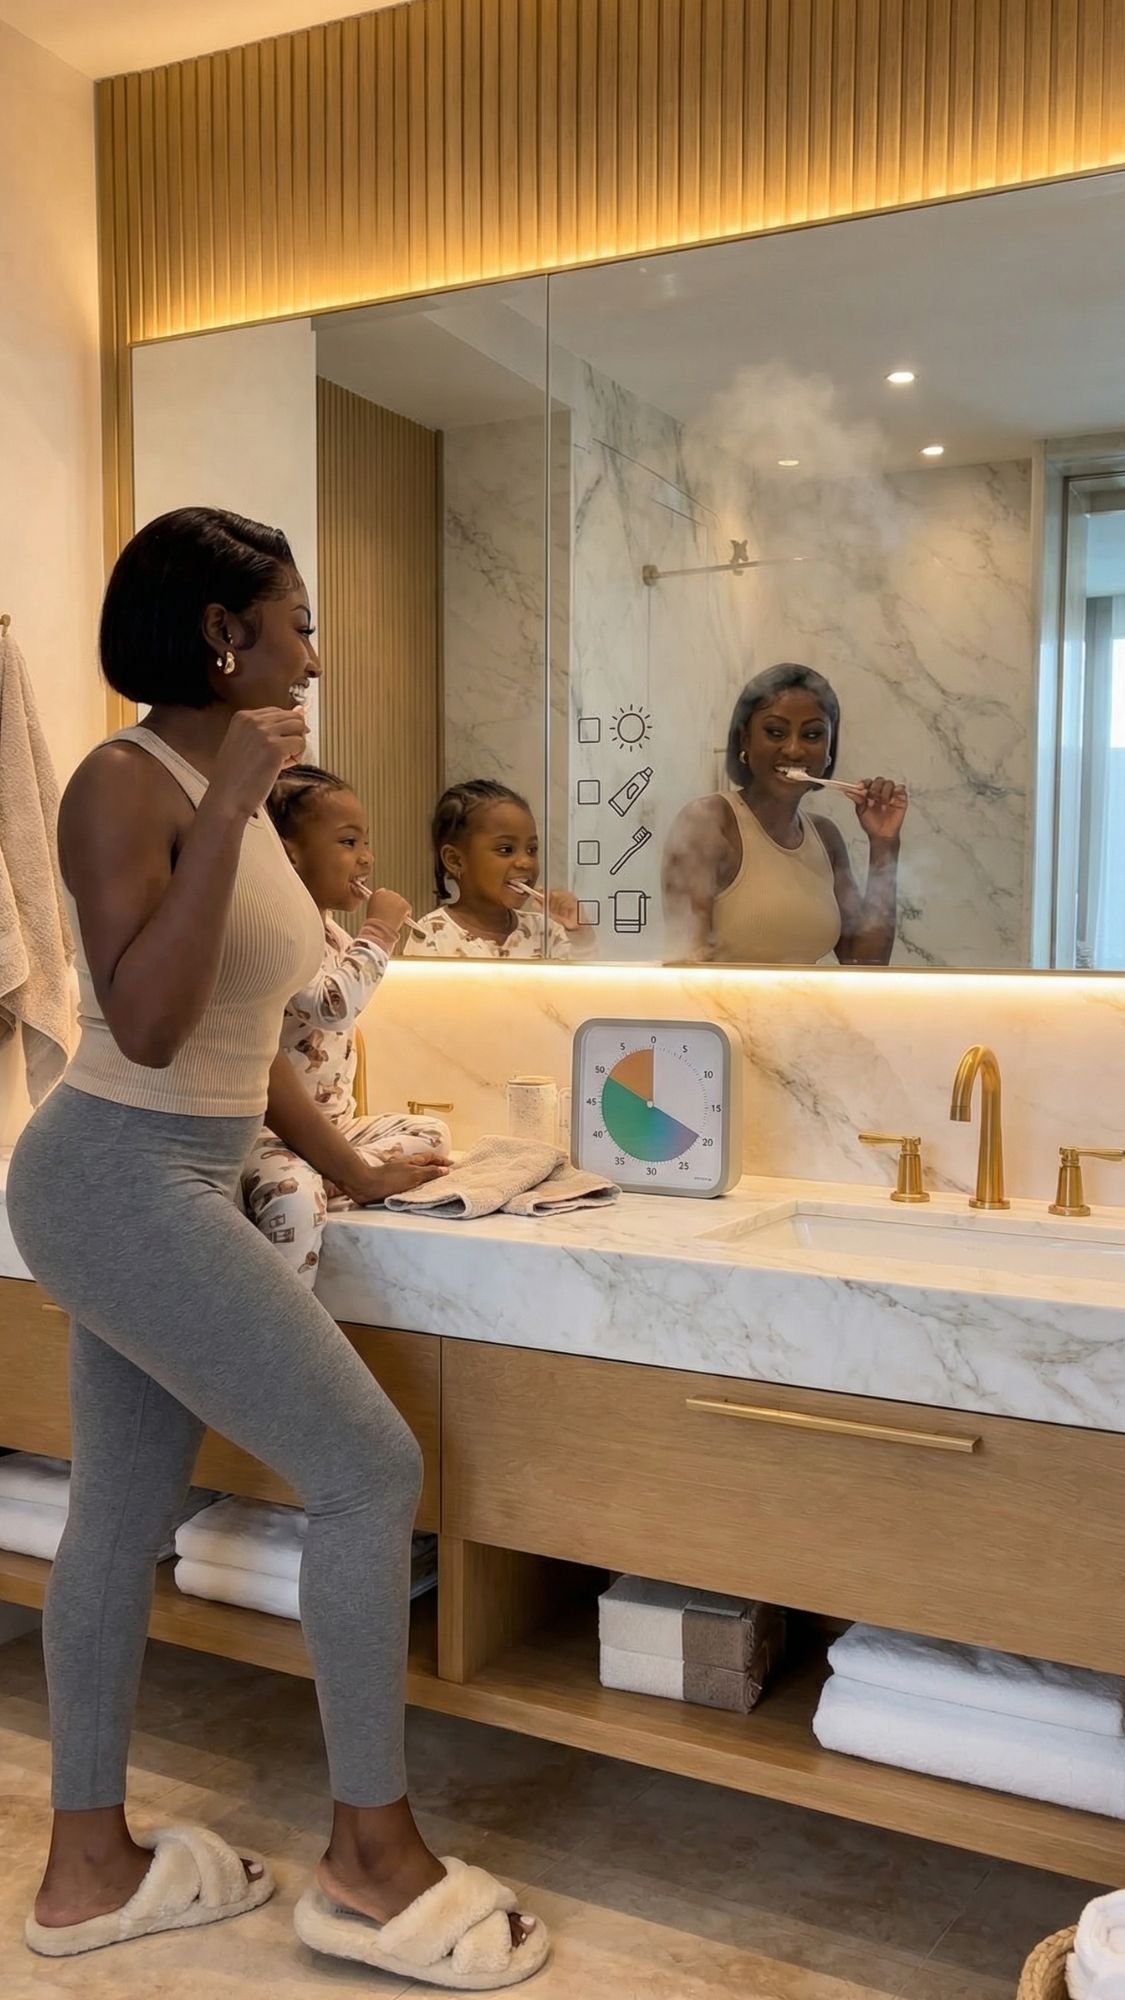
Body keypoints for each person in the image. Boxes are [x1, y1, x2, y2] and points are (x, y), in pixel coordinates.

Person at [5, 507, 546, 1986]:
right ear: (221, 634)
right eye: (295, 619)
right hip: (114, 1177)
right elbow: (150, 1021)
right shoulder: (129, 784)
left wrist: (351, 1163)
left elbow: (249, 1048)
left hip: (183, 1168)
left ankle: (85, 1869)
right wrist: (236, 807)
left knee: (121, 1507)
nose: (315, 645)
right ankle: (371, 1864)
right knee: (368, 1470)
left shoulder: (232, 789)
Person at [242, 762, 450, 1288]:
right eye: (348, 841)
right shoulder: (278, 930)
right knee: (292, 1197)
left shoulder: (331, 932)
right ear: (290, 853)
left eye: (365, 842)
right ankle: (283, 1325)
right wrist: (378, 930)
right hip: (265, 1135)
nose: (366, 857)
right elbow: (331, 1004)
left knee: (432, 1133)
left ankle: (331, 1171)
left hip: (335, 1128)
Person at [662, 662, 908, 965]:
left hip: (814, 1013)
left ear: (829, 749)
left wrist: (884, 843)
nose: (793, 750)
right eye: (775, 732)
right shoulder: (708, 822)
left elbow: (866, 964)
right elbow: (687, 966)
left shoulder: (826, 837)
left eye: (813, 735)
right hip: (724, 1013)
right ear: (745, 740)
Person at [404, 778, 594, 960]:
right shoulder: (431, 933)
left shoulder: (545, 932)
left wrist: (580, 933)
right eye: (506, 850)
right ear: (455, 861)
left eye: (532, 850)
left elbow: (584, 987)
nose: (525, 862)